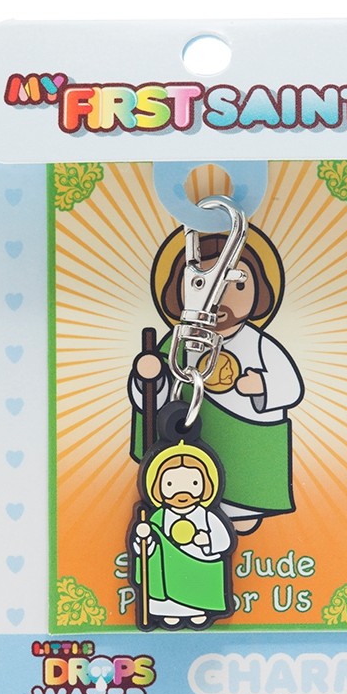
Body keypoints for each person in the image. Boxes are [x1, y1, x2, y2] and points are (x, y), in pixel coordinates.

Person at [129, 224, 303, 535]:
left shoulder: (260, 345)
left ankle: (244, 508)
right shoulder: (178, 343)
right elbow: (152, 395)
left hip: (250, 439)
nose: (220, 299)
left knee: (244, 487)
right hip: (188, 439)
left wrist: (263, 387)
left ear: (260, 291)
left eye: (238, 286)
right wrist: (149, 377)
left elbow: (290, 387)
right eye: (201, 286)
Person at [130, 444, 235, 628]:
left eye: (193, 484)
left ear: (206, 485)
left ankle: (200, 609)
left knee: (200, 587)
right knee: (166, 583)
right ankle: (169, 611)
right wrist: (144, 536)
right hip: (168, 571)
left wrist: (208, 541)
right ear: (157, 487)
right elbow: (146, 550)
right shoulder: (159, 517)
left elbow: (224, 541)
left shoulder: (207, 516)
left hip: (201, 568)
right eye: (170, 485)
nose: (182, 492)